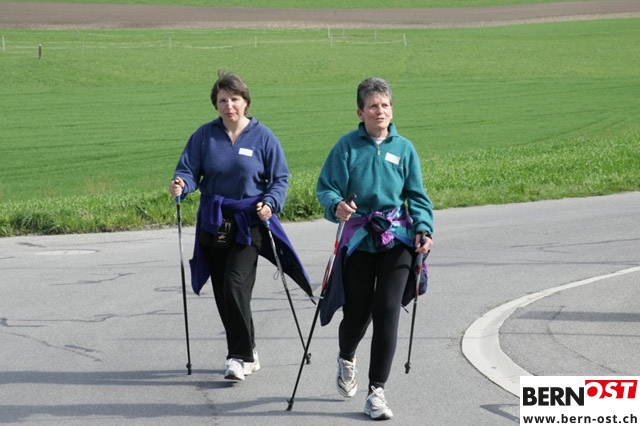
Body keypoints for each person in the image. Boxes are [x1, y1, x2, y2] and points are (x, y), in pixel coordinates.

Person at [169, 69, 312, 382]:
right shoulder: (204, 136)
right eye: (222, 100)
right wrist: (182, 184)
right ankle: (249, 350)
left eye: (234, 99)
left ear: (245, 101)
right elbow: (189, 171)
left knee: (235, 284)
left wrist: (271, 202)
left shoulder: (263, 137)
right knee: (223, 291)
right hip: (214, 221)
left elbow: (280, 178)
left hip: (250, 222)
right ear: (215, 104)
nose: (228, 105)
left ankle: (239, 357)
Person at [316, 77, 434, 420]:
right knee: (357, 313)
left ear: (392, 110)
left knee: (387, 308)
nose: (379, 111)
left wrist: (424, 228)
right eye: (372, 106)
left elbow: (417, 196)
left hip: (397, 237)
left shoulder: (404, 149)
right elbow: (326, 188)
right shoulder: (346, 147)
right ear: (360, 112)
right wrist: (337, 205)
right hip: (359, 238)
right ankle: (346, 356)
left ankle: (376, 391)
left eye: (384, 105)